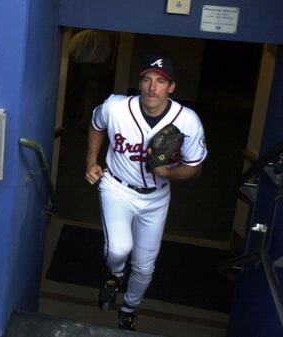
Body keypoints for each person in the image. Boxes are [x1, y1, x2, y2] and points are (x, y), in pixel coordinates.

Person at [84, 55, 208, 330]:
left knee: (144, 267)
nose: (153, 87)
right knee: (118, 249)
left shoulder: (187, 121)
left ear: (171, 87)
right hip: (117, 188)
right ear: (139, 83)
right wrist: (92, 160)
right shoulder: (116, 107)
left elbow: (194, 167)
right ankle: (114, 274)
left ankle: (128, 308)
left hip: (157, 197)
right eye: (147, 79)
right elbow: (96, 124)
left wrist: (168, 173)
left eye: (161, 81)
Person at [66, 29, 113, 133]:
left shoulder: (80, 36)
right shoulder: (104, 37)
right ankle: (86, 122)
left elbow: (71, 50)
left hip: (82, 67)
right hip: (99, 69)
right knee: (91, 97)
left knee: (77, 92)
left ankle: (75, 117)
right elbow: (107, 53)